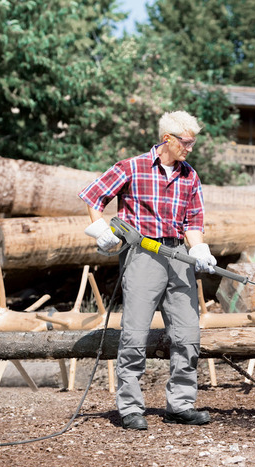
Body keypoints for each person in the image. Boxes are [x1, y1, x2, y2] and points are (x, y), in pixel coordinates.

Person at [78, 110, 217, 430]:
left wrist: (198, 249)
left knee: (187, 334)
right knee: (135, 333)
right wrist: (99, 229)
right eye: (185, 142)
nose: (189, 149)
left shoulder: (189, 176)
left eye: (193, 143)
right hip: (142, 254)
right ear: (167, 139)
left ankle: (180, 405)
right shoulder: (132, 167)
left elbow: (193, 222)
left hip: (178, 255)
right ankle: (129, 407)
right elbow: (93, 196)